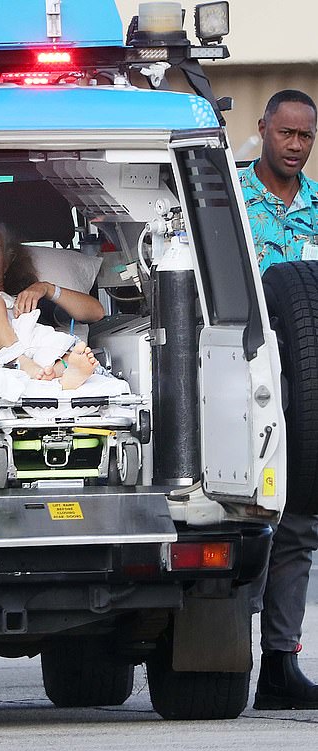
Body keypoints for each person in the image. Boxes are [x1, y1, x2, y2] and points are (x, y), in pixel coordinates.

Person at [241, 89, 318, 710]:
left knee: (299, 525)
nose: (295, 146)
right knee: (246, 518)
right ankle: (223, 653)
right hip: (247, 377)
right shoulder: (230, 201)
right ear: (263, 128)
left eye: (306, 137)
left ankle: (279, 663)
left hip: (310, 386)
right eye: (285, 133)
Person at [0, 216, 105, 390]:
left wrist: (47, 289)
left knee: (67, 353)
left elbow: (96, 312)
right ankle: (23, 364)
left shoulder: (27, 298)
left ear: (5, 263)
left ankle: (55, 374)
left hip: (36, 358)